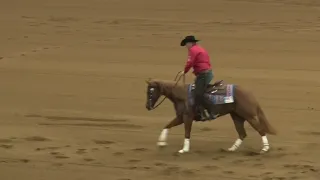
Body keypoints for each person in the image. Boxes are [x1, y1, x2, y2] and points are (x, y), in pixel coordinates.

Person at [180, 35, 214, 120]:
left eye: (186, 44)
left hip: (203, 75)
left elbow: (190, 62)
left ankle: (206, 113)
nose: (186, 46)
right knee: (199, 91)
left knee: (198, 93)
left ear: (190, 43)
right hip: (207, 73)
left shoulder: (193, 50)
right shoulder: (200, 49)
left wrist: (185, 71)